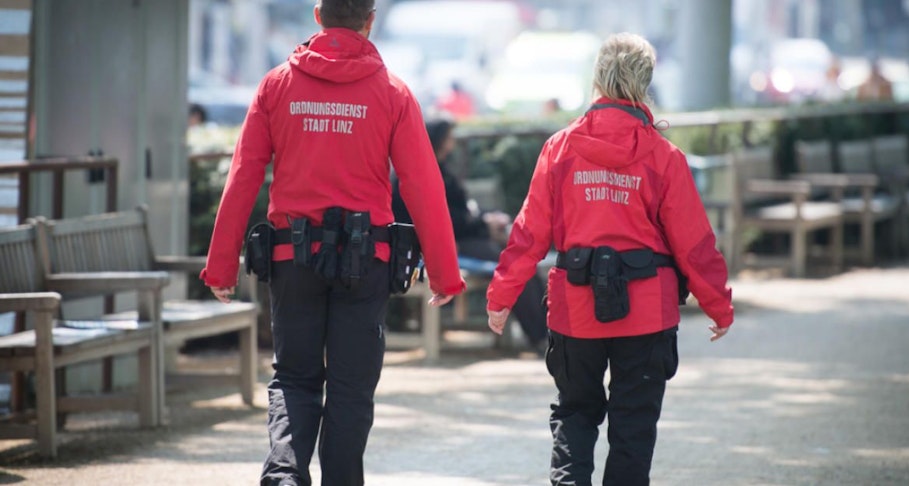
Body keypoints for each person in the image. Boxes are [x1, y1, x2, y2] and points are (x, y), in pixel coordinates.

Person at [198, 1, 466, 485]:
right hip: (367, 263)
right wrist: (445, 273)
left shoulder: (276, 86)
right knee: (351, 388)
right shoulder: (393, 93)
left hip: (292, 259)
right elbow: (423, 186)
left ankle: (284, 475)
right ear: (370, 19)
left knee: (295, 379)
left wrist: (221, 267)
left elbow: (243, 178)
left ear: (318, 16)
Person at [484, 33, 734, 486]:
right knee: (633, 429)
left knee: (574, 417)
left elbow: (529, 234)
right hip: (646, 313)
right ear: (645, 83)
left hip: (575, 312)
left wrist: (502, 295)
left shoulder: (559, 149)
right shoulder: (664, 156)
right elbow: (694, 243)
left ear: (597, 78)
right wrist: (717, 303)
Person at [392, 118, 549, 354]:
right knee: (513, 269)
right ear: (439, 141)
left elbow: (460, 212)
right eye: (449, 138)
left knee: (523, 265)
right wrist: (484, 225)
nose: (452, 143)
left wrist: (485, 221)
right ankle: (539, 337)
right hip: (443, 244)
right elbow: (440, 217)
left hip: (462, 237)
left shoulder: (439, 167)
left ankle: (544, 333)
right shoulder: (417, 169)